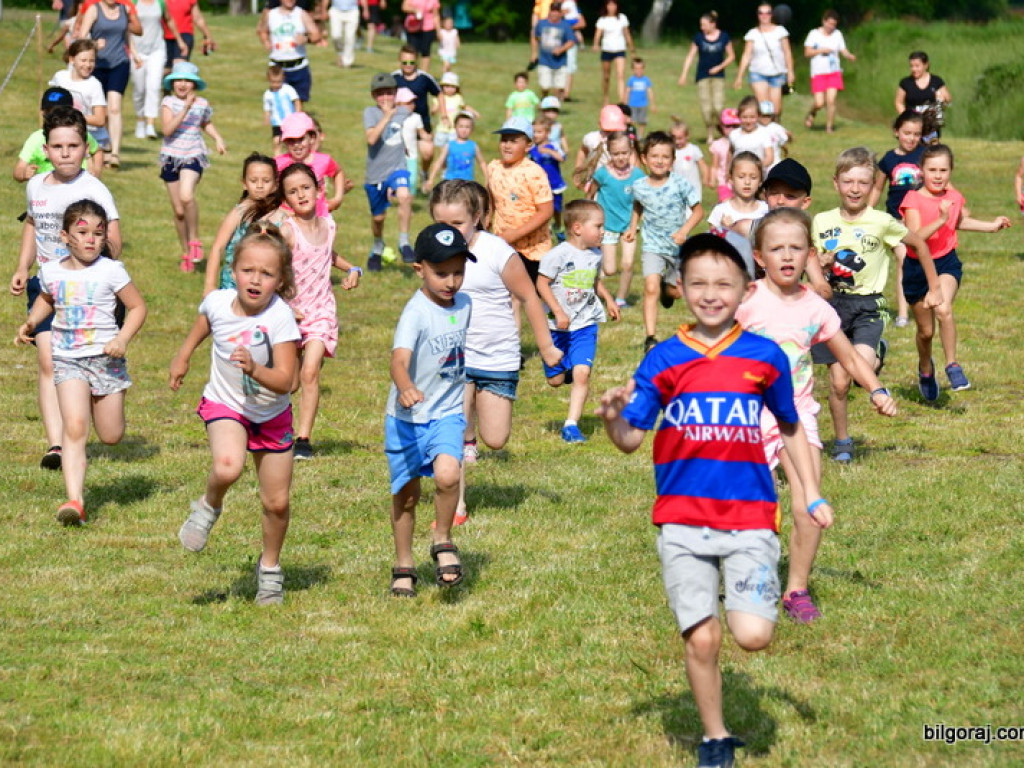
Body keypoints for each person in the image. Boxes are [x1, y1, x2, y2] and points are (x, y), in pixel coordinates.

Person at [596, 232, 834, 768]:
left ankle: (743, 597)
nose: (710, 293)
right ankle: (714, 736)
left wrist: (810, 492)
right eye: (698, 282)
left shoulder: (764, 356)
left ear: (745, 289)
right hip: (681, 520)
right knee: (702, 640)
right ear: (679, 287)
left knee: (751, 635)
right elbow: (632, 440)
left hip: (751, 520)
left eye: (723, 283)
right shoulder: (663, 359)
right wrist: (612, 419)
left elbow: (791, 427)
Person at [737, 208, 895, 622]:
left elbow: (847, 355)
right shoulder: (746, 301)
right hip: (745, 418)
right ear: (759, 256)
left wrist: (876, 389)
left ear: (810, 253)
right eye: (777, 248)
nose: (787, 256)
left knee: (809, 502)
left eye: (796, 247)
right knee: (747, 506)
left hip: (796, 416)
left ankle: (796, 589)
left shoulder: (815, 308)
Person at [170, 226, 300, 605]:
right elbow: (204, 326)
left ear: (280, 279)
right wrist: (183, 356)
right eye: (248, 270)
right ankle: (209, 506)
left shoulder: (280, 319)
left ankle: (270, 570)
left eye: (267, 273)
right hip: (227, 405)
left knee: (276, 503)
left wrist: (256, 370)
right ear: (233, 270)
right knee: (228, 466)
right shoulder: (217, 302)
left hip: (272, 415)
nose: (255, 279)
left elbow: (287, 382)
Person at [429, 180, 562, 522]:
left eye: (457, 224)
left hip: (497, 357)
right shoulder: (434, 252)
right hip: (454, 358)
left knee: (496, 438)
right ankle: (455, 506)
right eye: (441, 224)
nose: (449, 232)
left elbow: (530, 298)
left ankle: (474, 417)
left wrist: (546, 347)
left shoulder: (497, 252)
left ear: (478, 218)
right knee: (452, 432)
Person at [16, 200, 146, 526]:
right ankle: (75, 500)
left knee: (111, 435)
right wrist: (32, 323)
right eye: (82, 232)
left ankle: (103, 405)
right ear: (65, 236)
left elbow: (138, 307)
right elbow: (48, 299)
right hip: (68, 358)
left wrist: (122, 339)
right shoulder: (51, 271)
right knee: (74, 427)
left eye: (98, 234)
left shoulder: (111, 271)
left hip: (105, 360)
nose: (90, 239)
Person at [11, 106, 122, 472]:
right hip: (44, 286)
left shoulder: (94, 189)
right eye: (57, 146)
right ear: (45, 149)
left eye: (73, 146)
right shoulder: (35, 186)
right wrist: (22, 266)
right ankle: (57, 444)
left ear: (85, 147)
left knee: (81, 363)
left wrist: (87, 253)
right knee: (47, 360)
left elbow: (115, 243)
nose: (65, 153)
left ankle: (90, 403)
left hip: (87, 293)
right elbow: (33, 226)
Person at [811, 147, 939, 463]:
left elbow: (919, 244)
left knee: (861, 369)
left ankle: (876, 351)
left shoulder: (881, 221)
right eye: (848, 181)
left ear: (872, 186)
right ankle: (842, 440)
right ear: (836, 183)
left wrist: (934, 287)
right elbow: (809, 261)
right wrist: (820, 264)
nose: (855, 188)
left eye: (863, 183)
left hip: (868, 307)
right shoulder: (820, 221)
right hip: (832, 308)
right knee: (838, 382)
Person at [386, 223, 476, 597]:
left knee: (448, 475)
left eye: (458, 271)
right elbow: (398, 360)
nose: (451, 281)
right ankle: (404, 563)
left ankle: (442, 538)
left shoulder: (466, 303)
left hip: (447, 413)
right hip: (406, 419)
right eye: (441, 273)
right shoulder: (415, 313)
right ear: (418, 269)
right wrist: (406, 386)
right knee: (406, 497)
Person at [900, 144, 1010, 399]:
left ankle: (953, 364)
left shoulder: (954, 196)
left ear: (951, 171)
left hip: (945, 264)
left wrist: (990, 226)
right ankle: (926, 369)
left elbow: (957, 221)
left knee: (943, 308)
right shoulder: (913, 200)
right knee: (925, 332)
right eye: (932, 170)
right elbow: (914, 238)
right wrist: (939, 219)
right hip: (917, 269)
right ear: (921, 171)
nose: (938, 176)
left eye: (943, 170)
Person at [275, 163, 362, 459]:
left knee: (310, 372)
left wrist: (352, 268)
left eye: (306, 188)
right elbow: (273, 268)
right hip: (289, 314)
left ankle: (303, 440)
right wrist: (282, 303)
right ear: (285, 199)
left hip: (321, 312)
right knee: (291, 381)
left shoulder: (330, 225)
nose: (301, 195)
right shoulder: (288, 231)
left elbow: (327, 254)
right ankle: (272, 426)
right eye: (293, 191)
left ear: (318, 189)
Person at [536, 199, 620, 443]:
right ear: (577, 228)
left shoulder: (595, 255)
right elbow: (541, 283)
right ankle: (569, 371)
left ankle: (571, 426)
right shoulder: (557, 255)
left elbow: (594, 282)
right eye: (599, 226)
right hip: (557, 327)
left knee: (583, 374)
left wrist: (609, 299)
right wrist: (558, 311)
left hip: (585, 324)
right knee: (555, 380)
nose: (603, 231)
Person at [625, 131, 703, 354]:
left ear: (673, 160)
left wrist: (684, 231)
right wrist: (633, 228)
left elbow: (698, 211)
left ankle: (666, 289)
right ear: (644, 159)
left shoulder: (680, 184)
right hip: (652, 246)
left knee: (675, 293)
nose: (659, 161)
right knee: (649, 288)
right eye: (654, 156)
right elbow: (638, 205)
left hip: (677, 248)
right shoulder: (639, 185)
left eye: (665, 157)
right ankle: (650, 338)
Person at [159, 61, 226, 273]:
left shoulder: (202, 103)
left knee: (187, 196)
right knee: (179, 211)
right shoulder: (168, 103)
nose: (182, 84)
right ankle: (186, 251)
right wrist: (185, 108)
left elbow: (205, 122)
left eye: (188, 81)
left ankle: (195, 239)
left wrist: (217, 138)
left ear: (194, 84)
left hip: (193, 155)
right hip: (171, 158)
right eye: (178, 80)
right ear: (172, 83)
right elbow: (167, 130)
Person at [869, 110, 925, 327]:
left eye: (916, 134)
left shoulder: (924, 156)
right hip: (896, 221)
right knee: (903, 259)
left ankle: (925, 304)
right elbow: (877, 188)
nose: (911, 138)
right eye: (907, 133)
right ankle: (903, 314)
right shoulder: (888, 160)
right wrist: (866, 211)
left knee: (923, 263)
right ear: (896, 132)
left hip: (921, 220)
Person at [76, 0, 142, 168]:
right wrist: (94, 45)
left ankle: (115, 153)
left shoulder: (124, 9)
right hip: (97, 65)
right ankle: (101, 146)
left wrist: (134, 53)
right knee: (100, 111)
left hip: (120, 63)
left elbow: (126, 34)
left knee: (114, 107)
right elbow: (80, 38)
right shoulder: (93, 10)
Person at [487, 117, 554, 282]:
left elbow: (546, 211)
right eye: (504, 140)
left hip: (533, 250)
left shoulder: (534, 172)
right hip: (503, 244)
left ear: (528, 145)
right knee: (506, 295)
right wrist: (485, 221)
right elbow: (490, 198)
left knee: (533, 295)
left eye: (513, 141)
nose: (507, 145)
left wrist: (515, 234)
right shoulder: (493, 167)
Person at [204, 153, 280, 295]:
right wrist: (209, 285)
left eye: (266, 181)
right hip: (232, 287)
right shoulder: (238, 213)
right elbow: (218, 247)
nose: (259, 186)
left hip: (265, 289)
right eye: (253, 180)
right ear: (244, 183)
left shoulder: (281, 216)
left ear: (276, 184)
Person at [363, 73, 414, 269]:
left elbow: (417, 125)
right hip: (375, 175)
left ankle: (404, 242)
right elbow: (371, 139)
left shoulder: (404, 112)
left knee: (404, 196)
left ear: (396, 93)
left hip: (398, 168)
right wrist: (387, 116)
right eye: (380, 94)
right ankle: (377, 246)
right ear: (373, 96)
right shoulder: (370, 113)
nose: (385, 98)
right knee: (378, 218)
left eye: (389, 93)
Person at [593, 132, 644, 308]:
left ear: (630, 151)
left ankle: (621, 299)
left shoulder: (638, 175)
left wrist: (634, 225)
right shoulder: (602, 174)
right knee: (609, 269)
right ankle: (593, 279)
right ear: (609, 153)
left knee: (628, 263)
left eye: (624, 153)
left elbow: (642, 202)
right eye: (616, 154)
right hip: (607, 226)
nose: (620, 157)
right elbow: (590, 193)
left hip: (629, 226)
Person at [15, 88, 104, 183]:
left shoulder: (78, 132)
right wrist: (23, 174)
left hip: (80, 185)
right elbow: (18, 170)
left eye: (62, 112)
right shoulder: (36, 139)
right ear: (43, 113)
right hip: (49, 191)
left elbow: (97, 151)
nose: (56, 116)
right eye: (50, 112)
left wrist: (96, 170)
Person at [129, 0, 187, 141]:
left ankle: (150, 124)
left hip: (157, 50)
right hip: (137, 51)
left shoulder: (160, 3)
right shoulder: (132, 3)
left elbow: (169, 20)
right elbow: (126, 26)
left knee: (154, 87)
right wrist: (133, 51)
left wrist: (179, 40)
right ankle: (140, 120)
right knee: (139, 89)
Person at [678, 11, 735, 143]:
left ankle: (722, 130)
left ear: (713, 24)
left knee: (718, 106)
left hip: (718, 76)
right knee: (706, 108)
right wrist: (684, 74)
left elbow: (731, 56)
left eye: (704, 25)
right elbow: (690, 56)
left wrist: (719, 67)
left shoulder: (724, 37)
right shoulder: (699, 38)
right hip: (702, 76)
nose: (702, 27)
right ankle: (709, 132)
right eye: (701, 25)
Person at [275, 112, 346, 217]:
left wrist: (337, 199)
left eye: (301, 139)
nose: (296, 145)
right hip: (288, 219)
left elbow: (338, 172)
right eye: (291, 140)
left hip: (318, 217)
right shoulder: (278, 163)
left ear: (312, 138)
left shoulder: (323, 160)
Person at [734, 3, 793, 120]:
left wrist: (790, 72)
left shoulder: (780, 31)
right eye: (761, 13)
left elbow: (787, 52)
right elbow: (746, 56)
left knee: (776, 109)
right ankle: (764, 133)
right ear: (758, 15)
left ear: (772, 15)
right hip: (758, 74)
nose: (764, 16)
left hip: (777, 74)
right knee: (765, 108)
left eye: (767, 13)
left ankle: (775, 130)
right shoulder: (752, 34)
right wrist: (739, 76)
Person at [50, 40, 109, 155]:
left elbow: (100, 119)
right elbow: (50, 104)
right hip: (66, 135)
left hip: (91, 137)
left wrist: (73, 116)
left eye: (92, 61)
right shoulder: (60, 77)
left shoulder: (94, 85)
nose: (87, 65)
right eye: (83, 60)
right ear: (72, 60)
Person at [258, 0, 321, 106]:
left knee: (299, 100)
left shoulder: (301, 14)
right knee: (281, 101)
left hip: (298, 65)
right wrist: (266, 41)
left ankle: (297, 120)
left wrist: (305, 39)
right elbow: (262, 30)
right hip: (278, 66)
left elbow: (316, 35)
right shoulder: (271, 14)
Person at [803, 9, 856, 133]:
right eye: (829, 24)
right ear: (824, 21)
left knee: (831, 100)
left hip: (834, 71)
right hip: (818, 72)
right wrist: (821, 50)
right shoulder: (814, 34)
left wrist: (849, 56)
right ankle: (812, 113)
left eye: (834, 25)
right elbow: (807, 52)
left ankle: (829, 127)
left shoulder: (837, 34)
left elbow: (843, 49)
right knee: (819, 102)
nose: (831, 27)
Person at [392, 46, 443, 171]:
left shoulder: (424, 78)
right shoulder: (394, 78)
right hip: (400, 124)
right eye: (405, 62)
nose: (408, 65)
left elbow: (439, 93)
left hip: (422, 123)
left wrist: (443, 113)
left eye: (411, 62)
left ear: (417, 61)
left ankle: (424, 172)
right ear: (400, 61)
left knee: (428, 153)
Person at [894, 51, 952, 143]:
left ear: (926, 65)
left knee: (931, 151)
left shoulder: (936, 81)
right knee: (912, 150)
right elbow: (899, 102)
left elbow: (948, 99)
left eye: (917, 66)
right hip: (912, 124)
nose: (914, 69)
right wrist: (906, 117)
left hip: (930, 125)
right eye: (911, 66)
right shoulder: (906, 83)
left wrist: (941, 98)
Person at [708, 151, 767, 240]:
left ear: (760, 181)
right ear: (731, 179)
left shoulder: (767, 210)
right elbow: (712, 245)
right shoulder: (720, 211)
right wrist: (724, 230)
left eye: (753, 177)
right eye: (741, 177)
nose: (747, 182)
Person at [573, 103, 628, 193]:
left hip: (619, 181)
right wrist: (578, 171)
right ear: (600, 125)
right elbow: (582, 151)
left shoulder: (623, 142)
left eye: (615, 131)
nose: (610, 134)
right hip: (595, 182)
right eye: (607, 131)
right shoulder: (591, 139)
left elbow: (633, 160)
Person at [529, 117, 567, 239]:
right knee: (539, 207)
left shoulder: (553, 145)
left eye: (539, 132)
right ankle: (542, 228)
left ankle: (558, 225)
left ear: (548, 133)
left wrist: (549, 152)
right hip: (538, 184)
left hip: (554, 183)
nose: (536, 135)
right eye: (534, 132)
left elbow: (562, 158)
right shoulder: (532, 148)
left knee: (556, 207)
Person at [592, 0, 633, 105]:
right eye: (609, 5)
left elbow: (626, 33)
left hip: (620, 49)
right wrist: (596, 44)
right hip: (607, 49)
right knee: (606, 76)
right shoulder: (602, 20)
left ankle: (622, 100)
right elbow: (598, 34)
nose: (612, 7)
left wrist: (631, 46)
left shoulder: (622, 18)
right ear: (606, 6)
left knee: (620, 75)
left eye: (614, 5)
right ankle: (606, 96)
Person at [532, 3, 576, 100]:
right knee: (545, 85)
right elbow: (535, 38)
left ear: (560, 13)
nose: (554, 13)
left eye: (557, 11)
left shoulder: (565, 25)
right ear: (549, 12)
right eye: (553, 11)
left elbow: (571, 41)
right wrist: (534, 53)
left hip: (560, 62)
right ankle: (544, 99)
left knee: (559, 87)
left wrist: (561, 49)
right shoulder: (541, 24)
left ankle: (555, 106)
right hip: (544, 60)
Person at [263, 65, 301, 151]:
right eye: (273, 82)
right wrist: (267, 119)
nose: (276, 84)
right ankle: (277, 158)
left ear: (283, 79)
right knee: (276, 141)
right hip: (277, 123)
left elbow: (296, 101)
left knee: (290, 142)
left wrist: (297, 114)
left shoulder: (288, 89)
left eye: (278, 82)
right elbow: (267, 109)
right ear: (268, 79)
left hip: (289, 121)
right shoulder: (267, 94)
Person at [729, 95, 774, 168]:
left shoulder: (763, 133)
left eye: (752, 117)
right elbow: (731, 153)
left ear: (758, 116)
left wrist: (756, 167)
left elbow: (770, 157)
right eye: (744, 117)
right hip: (738, 175)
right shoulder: (734, 134)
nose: (748, 121)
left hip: (757, 175)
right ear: (739, 116)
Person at [708, 107, 739, 203]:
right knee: (726, 204)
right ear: (721, 126)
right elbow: (714, 165)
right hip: (724, 181)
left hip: (740, 181)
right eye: (728, 126)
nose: (731, 129)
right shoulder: (718, 144)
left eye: (735, 126)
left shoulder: (742, 142)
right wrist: (712, 179)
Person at [401, 0, 441, 72]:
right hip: (412, 27)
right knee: (411, 51)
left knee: (426, 51)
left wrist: (438, 31)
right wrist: (415, 10)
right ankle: (409, 72)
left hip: (428, 27)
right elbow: (404, 7)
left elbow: (436, 15)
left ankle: (424, 74)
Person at [324, 0, 360, 68]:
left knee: (350, 37)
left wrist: (365, 9)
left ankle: (347, 62)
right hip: (336, 10)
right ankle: (340, 53)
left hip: (352, 11)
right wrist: (324, 9)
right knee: (335, 35)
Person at [625, 58, 654, 138]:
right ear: (633, 69)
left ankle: (640, 136)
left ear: (644, 69)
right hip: (632, 104)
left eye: (641, 68)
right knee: (632, 121)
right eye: (636, 69)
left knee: (642, 121)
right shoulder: (631, 80)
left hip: (643, 104)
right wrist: (625, 102)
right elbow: (627, 91)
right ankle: (632, 134)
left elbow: (650, 92)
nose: (639, 71)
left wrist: (652, 104)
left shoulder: (646, 80)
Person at [757, 100, 789, 170]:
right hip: (760, 161)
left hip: (775, 162)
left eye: (768, 116)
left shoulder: (776, 128)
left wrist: (785, 150)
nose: (765, 118)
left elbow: (783, 142)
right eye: (763, 115)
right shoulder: (756, 127)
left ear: (772, 116)